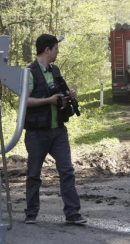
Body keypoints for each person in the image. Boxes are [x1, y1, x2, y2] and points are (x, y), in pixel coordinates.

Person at [23, 34, 87, 226]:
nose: (58, 52)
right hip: (37, 133)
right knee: (34, 174)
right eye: (56, 49)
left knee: (67, 171)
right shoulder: (29, 73)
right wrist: (48, 101)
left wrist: (68, 96)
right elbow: (24, 102)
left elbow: (59, 96)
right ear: (47, 50)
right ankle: (31, 213)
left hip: (58, 130)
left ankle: (73, 214)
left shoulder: (55, 70)